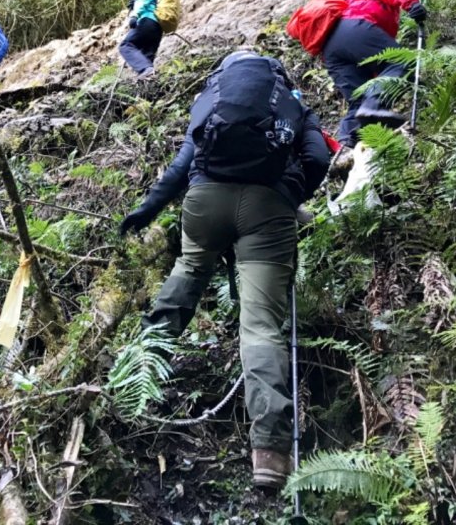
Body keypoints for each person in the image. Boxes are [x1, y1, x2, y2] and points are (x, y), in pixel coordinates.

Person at [119, 51, 331, 489]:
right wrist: (289, 196)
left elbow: (181, 167)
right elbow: (318, 158)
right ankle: (270, 452)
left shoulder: (213, 100)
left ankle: (138, 374)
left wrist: (147, 209)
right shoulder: (290, 103)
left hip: (204, 203)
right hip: (268, 209)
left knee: (191, 270)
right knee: (260, 328)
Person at [289, 0, 428, 168]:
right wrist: (410, 2)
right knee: (401, 62)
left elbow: (373, 67)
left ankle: (344, 154)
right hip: (351, 29)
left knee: (358, 99)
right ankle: (374, 108)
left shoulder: (353, 4)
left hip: (331, 51)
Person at [119, 0, 162, 80]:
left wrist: (134, 16)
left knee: (125, 46)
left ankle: (146, 70)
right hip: (157, 28)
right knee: (146, 55)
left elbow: (142, 1)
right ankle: (149, 83)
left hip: (146, 22)